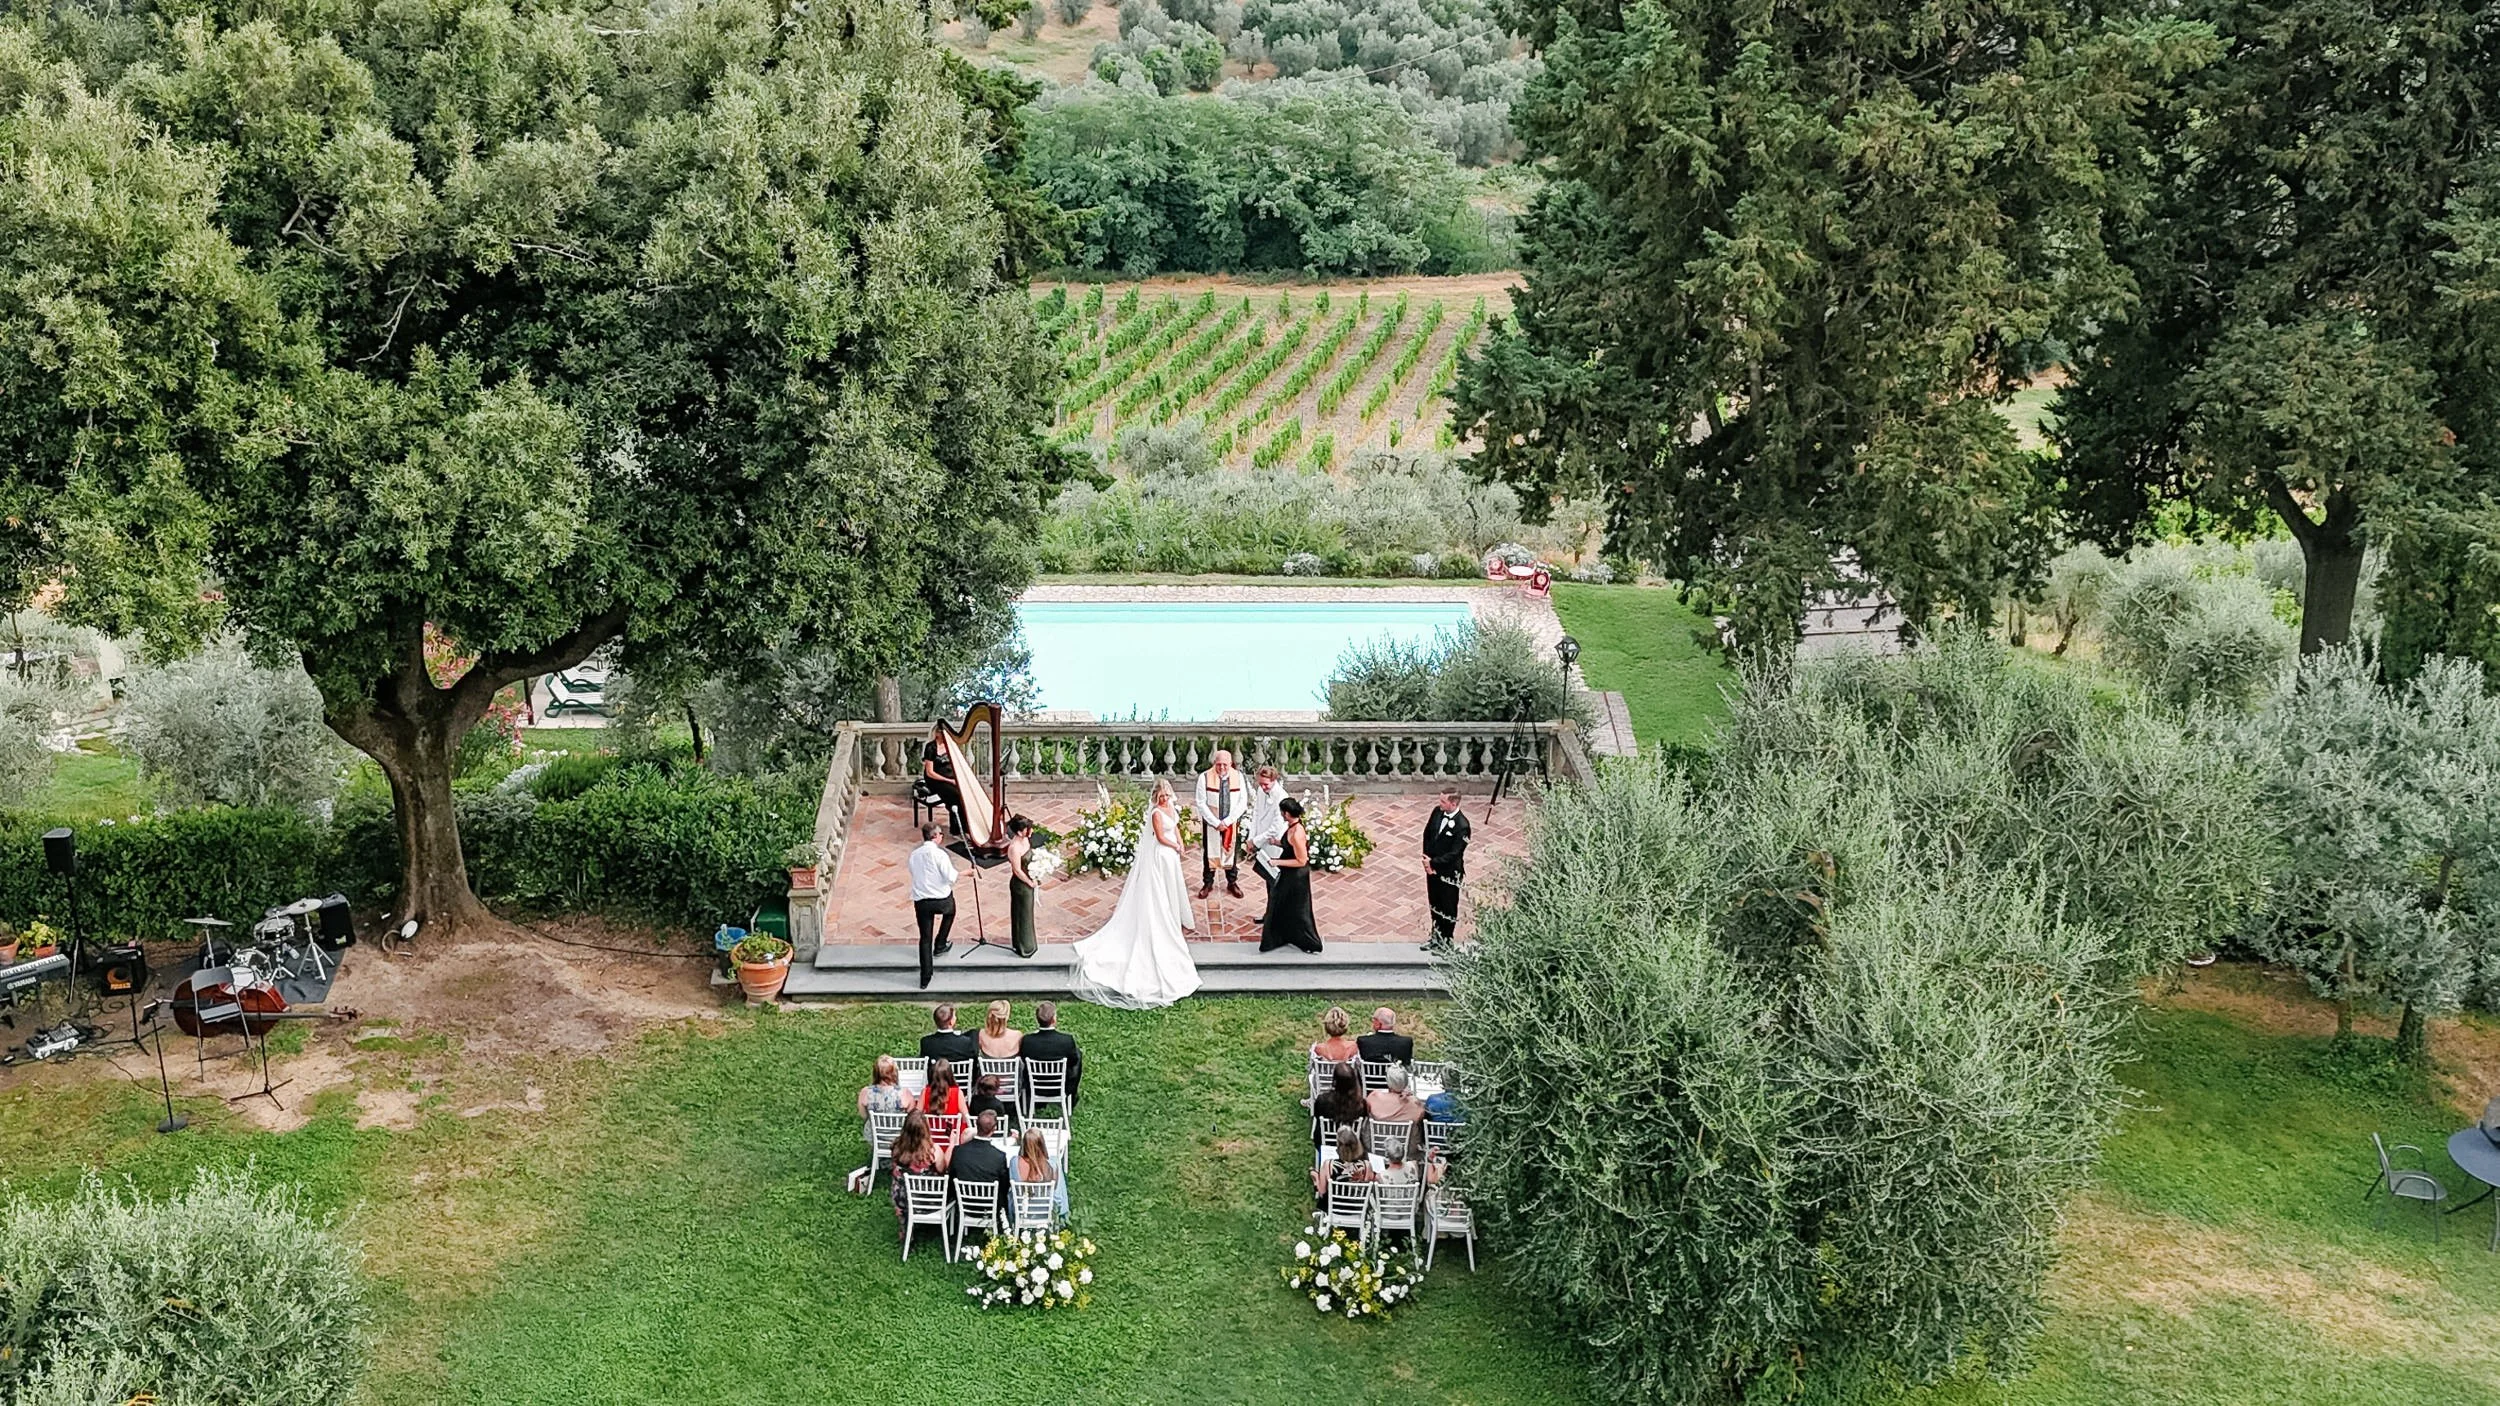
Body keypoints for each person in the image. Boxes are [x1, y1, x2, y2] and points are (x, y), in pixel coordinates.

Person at [1068, 779, 1201, 1007]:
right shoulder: (1156, 814)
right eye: (1161, 797)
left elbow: (1176, 827)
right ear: (1156, 798)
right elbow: (1160, 837)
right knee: (1159, 891)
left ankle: (1174, 913)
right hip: (1162, 854)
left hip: (1172, 857)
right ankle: (1164, 917)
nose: (1164, 800)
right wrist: (1174, 845)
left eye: (1166, 796)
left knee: (1173, 887)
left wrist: (1181, 842)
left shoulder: (1170, 807)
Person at [1258, 797, 1322, 953]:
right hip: (1289, 873)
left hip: (1296, 877)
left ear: (1286, 813)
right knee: (1283, 904)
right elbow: (1289, 846)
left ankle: (1309, 941)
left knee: (1298, 909)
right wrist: (1277, 843)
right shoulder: (1292, 827)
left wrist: (1277, 862)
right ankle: (1282, 935)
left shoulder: (1297, 833)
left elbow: (1302, 860)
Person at [908, 823, 959, 989]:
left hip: (922, 900)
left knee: (925, 938)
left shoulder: (914, 855)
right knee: (950, 912)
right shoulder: (940, 855)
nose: (941, 837)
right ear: (935, 836)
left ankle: (925, 978)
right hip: (941, 899)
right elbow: (950, 877)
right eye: (940, 835)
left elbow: (914, 872)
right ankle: (941, 943)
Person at [1194, 749, 1251, 899]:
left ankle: (1232, 882)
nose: (1222, 768)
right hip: (1212, 822)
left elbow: (1242, 802)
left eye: (1225, 765)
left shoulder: (1238, 777)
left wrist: (1227, 821)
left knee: (1231, 851)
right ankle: (1208, 882)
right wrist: (1215, 822)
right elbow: (1201, 802)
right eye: (1218, 764)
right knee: (1209, 852)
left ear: (1231, 763)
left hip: (1230, 822)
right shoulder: (1204, 777)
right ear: (1214, 763)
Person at [1421, 787, 1471, 950]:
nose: (1440, 803)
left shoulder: (1462, 825)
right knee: (1434, 903)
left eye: (1443, 801)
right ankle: (1435, 936)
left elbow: (1455, 853)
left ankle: (1446, 940)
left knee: (1448, 906)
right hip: (1432, 869)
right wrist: (1427, 860)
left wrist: (1434, 863)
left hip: (1449, 872)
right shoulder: (1437, 812)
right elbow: (1427, 835)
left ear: (1454, 803)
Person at [888, 1110, 949, 1226]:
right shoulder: (933, 1151)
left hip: (902, 1198)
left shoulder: (896, 1147)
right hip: (929, 1201)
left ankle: (904, 1223)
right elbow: (943, 1170)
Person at [1020, 1000, 1083, 1108]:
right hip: (1061, 1085)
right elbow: (1073, 1062)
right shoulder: (1066, 1040)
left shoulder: (1027, 1041)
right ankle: (1072, 1095)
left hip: (1034, 1085)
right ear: (1054, 1019)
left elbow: (1023, 1058)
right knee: (1078, 1055)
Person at [948, 1109, 1014, 1211]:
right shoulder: (999, 1156)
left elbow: (951, 1176)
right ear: (994, 1129)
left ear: (976, 1125)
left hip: (964, 1203)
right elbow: (1004, 1186)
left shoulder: (958, 1151)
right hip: (990, 1206)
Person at [1246, 765, 1288, 912]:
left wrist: (1256, 841)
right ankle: (1270, 913)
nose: (1263, 787)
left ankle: (1275, 914)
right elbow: (1256, 813)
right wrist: (1251, 837)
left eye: (1266, 784)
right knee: (1268, 881)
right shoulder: (1261, 790)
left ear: (1274, 780)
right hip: (1261, 839)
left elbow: (1276, 827)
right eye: (1261, 784)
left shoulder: (1281, 796)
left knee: (1275, 881)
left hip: (1273, 843)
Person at [1005, 815, 1042, 959]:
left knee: (1028, 914)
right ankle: (1023, 946)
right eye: (1028, 829)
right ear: (1020, 832)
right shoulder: (1014, 848)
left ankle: (1029, 943)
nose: (1031, 831)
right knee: (1022, 914)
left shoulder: (1025, 840)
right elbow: (1017, 870)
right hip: (1021, 885)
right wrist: (1029, 881)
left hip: (1029, 881)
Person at [919, 727, 966, 836]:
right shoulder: (931, 747)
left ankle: (965, 827)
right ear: (936, 733)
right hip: (935, 779)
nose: (944, 733)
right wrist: (949, 780)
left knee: (964, 793)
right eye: (941, 731)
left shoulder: (950, 746)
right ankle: (957, 829)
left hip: (950, 777)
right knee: (956, 795)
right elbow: (930, 772)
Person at [1312, 1061, 1368, 1150]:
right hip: (1351, 1143)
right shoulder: (1361, 1104)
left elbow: (1316, 1116)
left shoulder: (1322, 1100)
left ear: (1335, 1081)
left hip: (1325, 1143)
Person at [1016, 1126, 1069, 1219]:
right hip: (1046, 1211)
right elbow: (1056, 1190)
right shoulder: (1052, 1164)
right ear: (1042, 1144)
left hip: (1024, 1211)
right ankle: (1062, 1214)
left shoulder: (1016, 1163)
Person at [1313, 1125, 1378, 1201]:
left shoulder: (1328, 1165)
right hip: (1358, 1209)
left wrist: (1315, 1177)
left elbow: (1322, 1192)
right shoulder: (1366, 1166)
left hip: (1333, 1208)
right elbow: (1369, 1190)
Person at [1367, 1063, 1427, 1128]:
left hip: (1376, 1136)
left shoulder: (1375, 1097)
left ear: (1388, 1082)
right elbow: (1421, 1116)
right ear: (1406, 1082)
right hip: (1406, 1137)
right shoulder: (1415, 1103)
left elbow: (1365, 1111)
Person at [857, 1055, 908, 1119]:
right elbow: (911, 1118)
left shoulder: (865, 1092)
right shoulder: (905, 1093)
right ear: (894, 1073)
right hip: (900, 1129)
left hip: (872, 1129)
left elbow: (864, 1116)